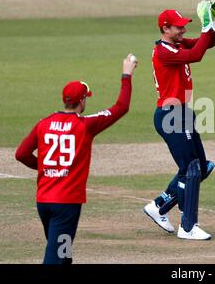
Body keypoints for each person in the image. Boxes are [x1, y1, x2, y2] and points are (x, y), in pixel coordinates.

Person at [15, 54, 138, 263]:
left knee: (63, 251)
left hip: (44, 201)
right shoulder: (85, 125)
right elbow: (121, 107)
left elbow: (21, 154)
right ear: (82, 100)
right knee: (56, 257)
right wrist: (127, 74)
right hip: (67, 203)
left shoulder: (43, 123)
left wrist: (45, 167)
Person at [143, 8, 215, 240]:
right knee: (191, 169)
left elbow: (206, 44)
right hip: (171, 114)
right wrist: (207, 27)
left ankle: (158, 206)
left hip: (182, 112)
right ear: (165, 29)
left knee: (201, 167)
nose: (184, 29)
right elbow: (196, 54)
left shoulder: (176, 44)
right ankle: (188, 226)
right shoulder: (164, 50)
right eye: (178, 27)